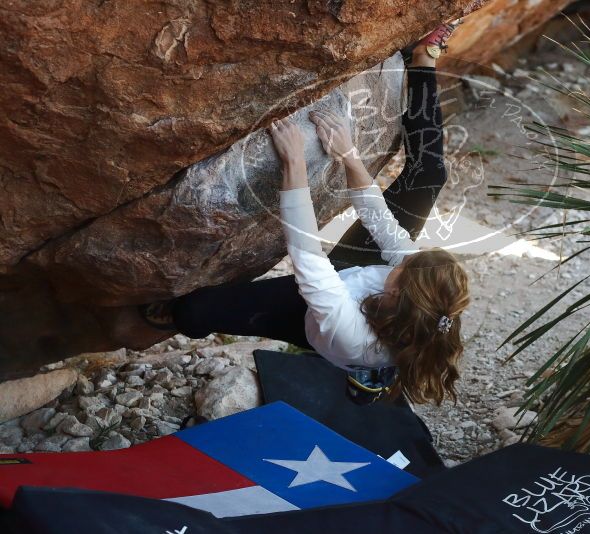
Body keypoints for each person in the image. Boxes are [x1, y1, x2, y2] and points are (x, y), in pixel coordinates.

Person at [141, 21, 470, 405]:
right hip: (357, 283)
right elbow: (382, 224)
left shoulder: (352, 335)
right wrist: (349, 156)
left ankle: (336, 374)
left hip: (313, 316)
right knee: (430, 175)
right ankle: (422, 60)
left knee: (195, 312)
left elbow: (307, 255)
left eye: (401, 268)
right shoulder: (429, 289)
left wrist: (294, 164)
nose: (406, 257)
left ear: (396, 292)